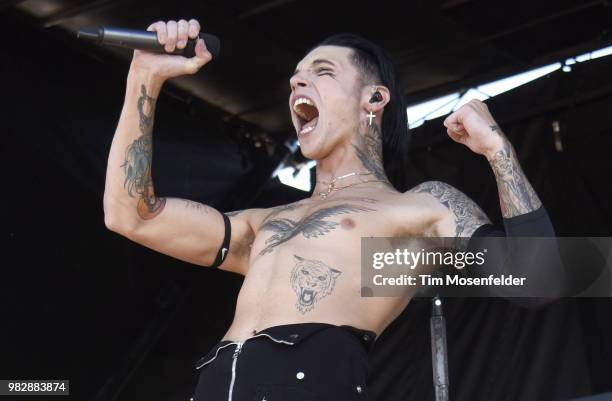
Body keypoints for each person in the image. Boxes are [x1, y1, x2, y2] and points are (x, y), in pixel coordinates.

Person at [103, 18, 556, 401]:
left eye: (322, 72)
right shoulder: (265, 223)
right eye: (296, 76)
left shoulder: (417, 207)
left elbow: (538, 281)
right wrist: (145, 76)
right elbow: (130, 215)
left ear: (374, 100)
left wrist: (498, 150)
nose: (297, 82)